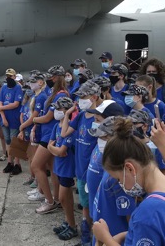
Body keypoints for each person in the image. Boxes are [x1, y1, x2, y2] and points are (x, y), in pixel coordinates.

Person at [93, 117, 165, 246]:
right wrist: (127, 234)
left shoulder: (148, 212)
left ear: (130, 168)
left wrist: (106, 238)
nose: (121, 184)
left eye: (119, 179)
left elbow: (148, 225)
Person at [61, 80, 102, 246]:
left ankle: (93, 239)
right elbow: (64, 133)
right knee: (85, 206)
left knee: (96, 208)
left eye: (83, 97)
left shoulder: (101, 118)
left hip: (93, 170)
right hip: (80, 169)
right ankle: (87, 237)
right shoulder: (81, 116)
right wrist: (67, 115)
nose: (79, 101)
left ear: (94, 97)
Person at [89, 116, 136, 246]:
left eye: (103, 138)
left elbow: (130, 220)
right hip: (102, 235)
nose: (100, 141)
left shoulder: (119, 177)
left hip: (113, 238)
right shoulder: (111, 166)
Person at [29, 65, 68, 214]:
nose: (49, 80)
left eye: (51, 77)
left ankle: (49, 200)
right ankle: (55, 198)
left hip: (50, 134)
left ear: (57, 77)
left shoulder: (60, 95)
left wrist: (33, 120)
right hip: (48, 133)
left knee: (36, 166)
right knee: (53, 169)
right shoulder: (56, 93)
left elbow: (47, 117)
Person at [47, 97, 78, 241]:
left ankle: (72, 226)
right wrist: (54, 149)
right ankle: (68, 221)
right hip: (59, 166)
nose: (56, 111)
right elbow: (50, 146)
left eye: (59, 109)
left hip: (67, 168)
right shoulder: (56, 127)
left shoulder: (70, 129)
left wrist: (54, 149)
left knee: (63, 197)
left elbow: (60, 151)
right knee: (65, 198)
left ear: (66, 111)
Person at [20, 73, 48, 188]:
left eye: (33, 82)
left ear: (40, 82)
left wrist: (22, 126)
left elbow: (34, 117)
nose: (31, 84)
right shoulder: (35, 96)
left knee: (37, 160)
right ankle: (34, 178)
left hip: (37, 129)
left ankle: (38, 183)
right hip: (32, 128)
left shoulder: (41, 96)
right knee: (31, 155)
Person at [0, 68, 24, 175]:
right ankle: (10, 162)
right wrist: (3, 117)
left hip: (14, 119)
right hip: (5, 119)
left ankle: (17, 163)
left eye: (11, 76)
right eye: (7, 76)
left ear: (15, 77)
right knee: (8, 140)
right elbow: (0, 103)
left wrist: (3, 108)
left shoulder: (18, 88)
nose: (9, 78)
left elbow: (16, 104)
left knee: (15, 141)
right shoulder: (4, 87)